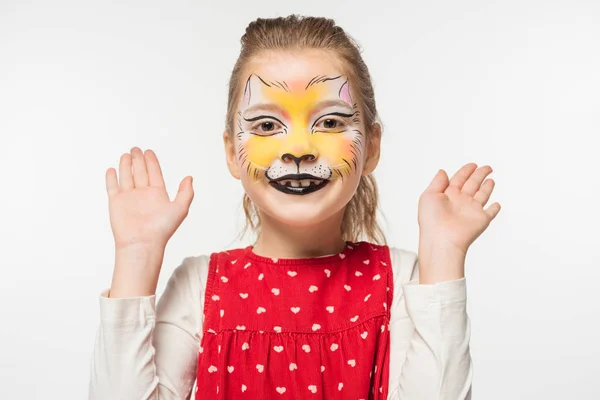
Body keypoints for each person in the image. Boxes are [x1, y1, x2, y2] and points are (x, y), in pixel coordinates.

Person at [89, 15, 500, 400]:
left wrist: (444, 257)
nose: (299, 149)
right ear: (232, 152)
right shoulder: (199, 287)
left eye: (331, 122)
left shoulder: (404, 280)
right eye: (267, 125)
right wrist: (135, 258)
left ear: (371, 146)